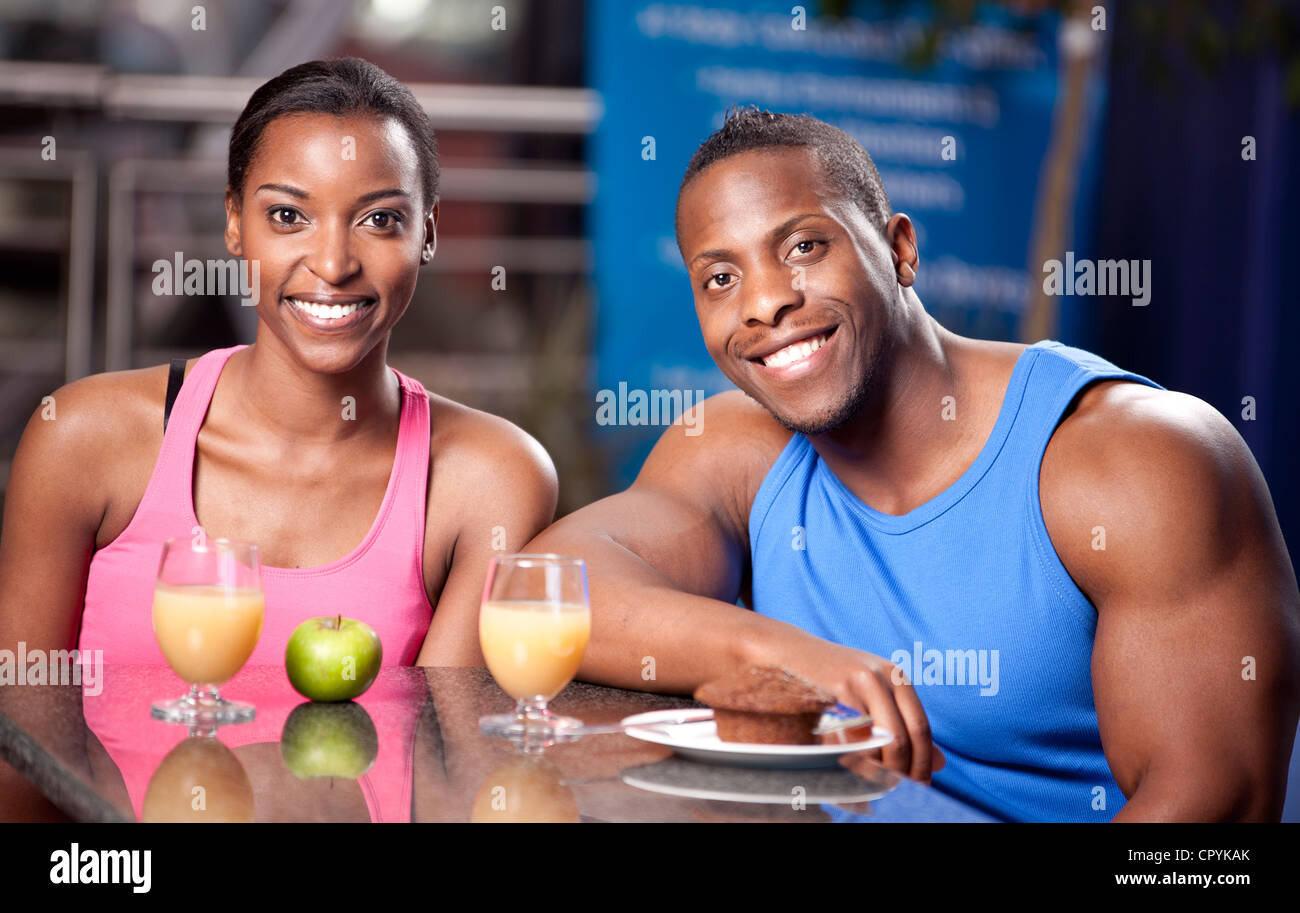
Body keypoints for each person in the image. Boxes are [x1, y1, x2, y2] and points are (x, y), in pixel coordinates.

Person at [525, 108, 1300, 822]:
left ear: (899, 249)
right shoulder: (739, 450)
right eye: (720, 278)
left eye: (803, 247)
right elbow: (548, 591)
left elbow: (1217, 824)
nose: (763, 303)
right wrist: (782, 656)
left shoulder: (1133, 459)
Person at [0, 58, 556, 668]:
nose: (333, 264)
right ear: (234, 223)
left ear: (426, 234)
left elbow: (438, 729)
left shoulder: (491, 478)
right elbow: (19, 719)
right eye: (288, 216)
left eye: (380, 220)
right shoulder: (83, 436)